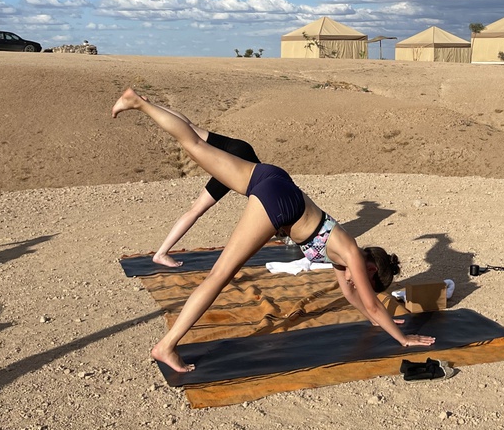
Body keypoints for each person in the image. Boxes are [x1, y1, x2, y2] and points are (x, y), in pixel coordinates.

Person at [112, 88, 436, 371]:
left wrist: (380, 321)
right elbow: (370, 303)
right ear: (368, 268)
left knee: (195, 142)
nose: (354, 281)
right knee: (219, 276)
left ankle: (140, 103)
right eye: (366, 279)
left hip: (274, 179)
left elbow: (354, 297)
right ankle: (166, 346)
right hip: (280, 202)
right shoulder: (350, 252)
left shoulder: (344, 258)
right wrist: (402, 338)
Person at [149, 105, 260, 268]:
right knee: (196, 210)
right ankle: (161, 253)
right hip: (237, 169)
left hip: (243, 152)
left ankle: (146, 104)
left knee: (190, 128)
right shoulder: (273, 203)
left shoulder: (283, 193)